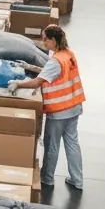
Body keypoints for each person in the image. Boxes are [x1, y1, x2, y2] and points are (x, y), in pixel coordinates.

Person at [8, 24, 84, 190]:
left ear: (54, 40)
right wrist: (29, 67)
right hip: (74, 106)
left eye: (45, 39)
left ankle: (47, 178)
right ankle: (77, 180)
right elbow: (51, 72)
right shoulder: (67, 54)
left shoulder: (56, 60)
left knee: (52, 144)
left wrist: (18, 83)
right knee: (72, 143)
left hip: (59, 110)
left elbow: (38, 81)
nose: (43, 43)